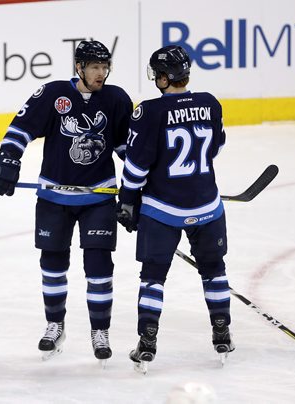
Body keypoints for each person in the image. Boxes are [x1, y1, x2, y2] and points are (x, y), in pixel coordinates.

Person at [0, 40, 133, 361]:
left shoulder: (116, 98)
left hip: (99, 196)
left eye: (105, 67)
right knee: (52, 264)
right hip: (54, 196)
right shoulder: (54, 94)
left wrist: (139, 186)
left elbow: (128, 149)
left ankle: (100, 330)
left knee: (98, 266)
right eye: (95, 67)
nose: (101, 73)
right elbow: (20, 129)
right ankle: (55, 325)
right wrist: (8, 162)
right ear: (79, 67)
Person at [116, 45, 234, 371]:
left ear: (165, 78)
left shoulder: (149, 111)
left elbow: (137, 166)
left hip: (162, 210)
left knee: (152, 276)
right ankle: (222, 330)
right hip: (208, 206)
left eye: (157, 74)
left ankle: (148, 338)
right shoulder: (210, 103)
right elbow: (216, 146)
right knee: (214, 270)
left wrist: (127, 199)